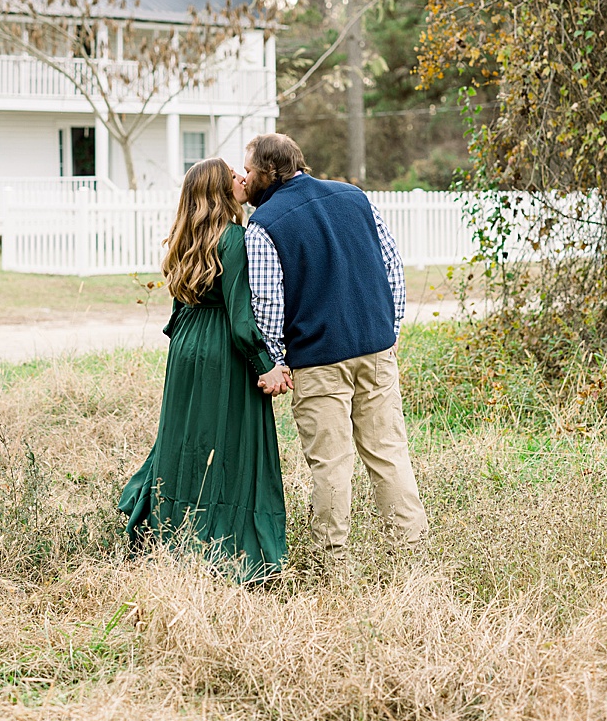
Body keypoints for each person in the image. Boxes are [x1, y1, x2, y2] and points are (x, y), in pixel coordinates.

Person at [241, 132, 429, 575]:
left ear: (268, 172)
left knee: (331, 463)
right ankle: (412, 555)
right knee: (389, 453)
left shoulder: (264, 224)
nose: (244, 179)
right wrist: (391, 326)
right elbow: (391, 266)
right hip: (375, 349)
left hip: (317, 360)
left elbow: (269, 302)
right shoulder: (355, 197)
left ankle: (334, 565)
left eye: (248, 170)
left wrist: (276, 358)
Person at [119, 157, 287, 582]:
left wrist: (186, 348)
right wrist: (265, 365)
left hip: (185, 349)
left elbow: (177, 310)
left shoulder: (183, 236)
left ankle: (171, 532)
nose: (240, 177)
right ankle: (226, 542)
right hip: (220, 349)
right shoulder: (234, 238)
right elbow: (240, 316)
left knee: (184, 439)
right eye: (232, 174)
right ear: (219, 190)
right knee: (229, 443)